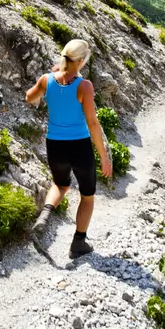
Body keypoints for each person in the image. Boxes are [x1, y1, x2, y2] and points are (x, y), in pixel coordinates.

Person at [25, 39, 112, 259]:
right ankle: (78, 243)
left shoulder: (47, 80)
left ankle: (45, 215)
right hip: (80, 146)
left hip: (54, 144)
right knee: (87, 196)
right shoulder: (84, 86)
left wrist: (48, 81)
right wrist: (104, 157)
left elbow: (29, 97)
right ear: (81, 61)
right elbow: (92, 123)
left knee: (61, 185)